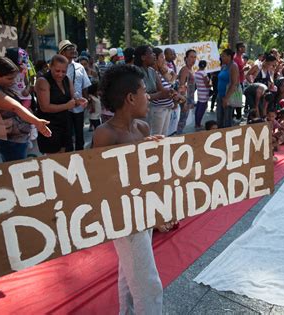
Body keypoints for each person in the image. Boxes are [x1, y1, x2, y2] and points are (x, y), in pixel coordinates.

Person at [92, 64, 166, 314]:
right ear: (131, 98)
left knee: (129, 273)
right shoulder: (105, 134)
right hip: (122, 217)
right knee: (149, 285)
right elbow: (97, 180)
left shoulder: (143, 129)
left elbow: (149, 176)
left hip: (142, 209)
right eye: (145, 91)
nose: (149, 97)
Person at [0, 57, 51, 161]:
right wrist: (37, 122)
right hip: (9, 142)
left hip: (14, 140)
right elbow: (15, 107)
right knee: (17, 171)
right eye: (9, 78)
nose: (13, 82)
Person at [35, 54, 87, 154]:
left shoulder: (67, 80)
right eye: (57, 71)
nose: (60, 74)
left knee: (65, 156)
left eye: (64, 71)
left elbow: (72, 101)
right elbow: (45, 107)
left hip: (65, 124)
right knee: (53, 160)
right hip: (49, 126)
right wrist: (67, 106)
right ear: (50, 67)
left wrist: (79, 101)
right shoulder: (43, 81)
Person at [58, 40, 91, 151]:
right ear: (62, 53)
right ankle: (69, 156)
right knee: (67, 134)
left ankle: (80, 155)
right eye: (69, 48)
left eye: (73, 47)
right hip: (64, 106)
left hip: (79, 107)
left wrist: (87, 100)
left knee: (79, 133)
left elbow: (85, 85)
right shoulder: (58, 69)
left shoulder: (80, 67)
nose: (73, 50)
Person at [150, 47, 181, 135]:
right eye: (162, 57)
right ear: (155, 59)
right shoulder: (153, 73)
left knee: (163, 135)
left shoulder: (160, 72)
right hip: (159, 109)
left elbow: (171, 81)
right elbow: (164, 90)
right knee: (156, 136)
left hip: (166, 108)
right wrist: (175, 94)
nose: (164, 60)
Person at [217, 48, 239, 128]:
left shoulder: (233, 66)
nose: (221, 58)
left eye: (223, 56)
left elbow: (234, 83)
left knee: (227, 119)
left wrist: (226, 98)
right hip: (220, 95)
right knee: (219, 118)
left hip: (228, 97)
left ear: (229, 56)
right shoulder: (224, 66)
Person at [177, 49, 197, 134]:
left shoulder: (191, 70)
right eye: (191, 57)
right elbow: (181, 86)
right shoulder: (185, 69)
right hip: (184, 101)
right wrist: (184, 102)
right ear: (186, 58)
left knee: (183, 122)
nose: (193, 59)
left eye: (195, 57)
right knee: (181, 123)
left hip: (188, 100)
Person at [194, 60, 210, 129]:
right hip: (205, 92)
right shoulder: (204, 74)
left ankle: (196, 123)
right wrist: (211, 85)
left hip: (199, 91)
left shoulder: (196, 73)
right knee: (202, 108)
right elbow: (207, 84)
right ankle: (198, 124)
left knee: (198, 107)